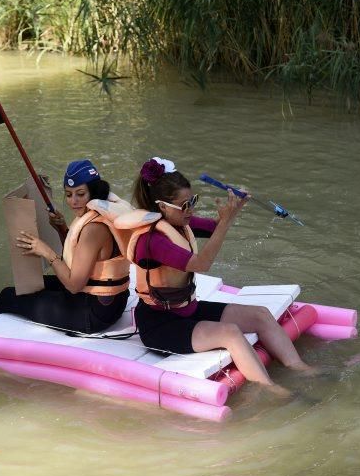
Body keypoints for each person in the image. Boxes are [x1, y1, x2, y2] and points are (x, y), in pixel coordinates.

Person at [129, 156, 314, 396]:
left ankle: (301, 369)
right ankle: (273, 392)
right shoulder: (152, 240)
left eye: (193, 201)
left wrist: (233, 210)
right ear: (162, 206)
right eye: (185, 205)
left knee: (260, 314)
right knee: (230, 333)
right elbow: (202, 264)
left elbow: (215, 227)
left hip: (188, 309)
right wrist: (226, 222)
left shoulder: (179, 222)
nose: (191, 209)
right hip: (160, 326)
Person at [0, 159, 131, 334]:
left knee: (9, 296)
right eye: (69, 195)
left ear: (94, 191)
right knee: (27, 287)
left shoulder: (93, 229)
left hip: (92, 314)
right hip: (111, 304)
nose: (74, 201)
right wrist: (62, 229)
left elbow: (73, 285)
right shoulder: (105, 212)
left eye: (80, 194)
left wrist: (45, 251)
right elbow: (83, 259)